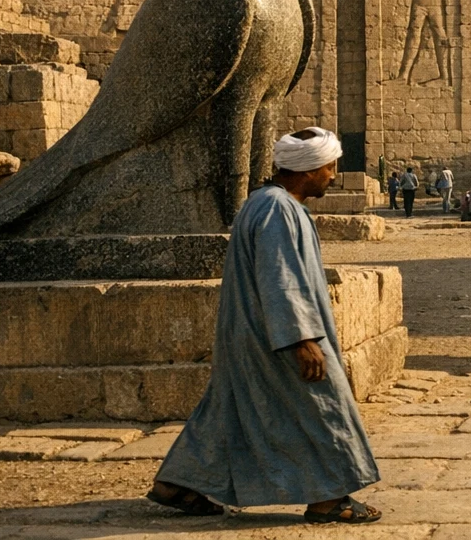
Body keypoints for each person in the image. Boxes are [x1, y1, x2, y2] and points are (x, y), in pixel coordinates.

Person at [148, 127, 381, 523]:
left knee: (231, 409)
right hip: (277, 334)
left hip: (253, 331)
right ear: (308, 170)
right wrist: (302, 339)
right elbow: (280, 277)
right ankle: (329, 499)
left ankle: (180, 483)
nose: (333, 175)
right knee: (322, 404)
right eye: (329, 166)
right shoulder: (277, 209)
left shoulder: (263, 202)